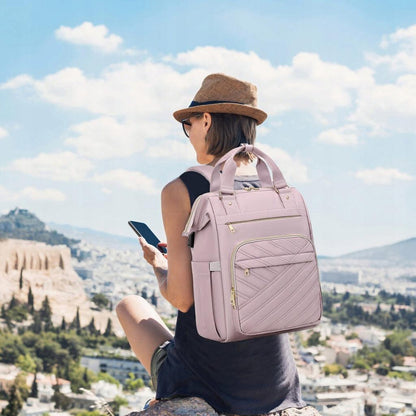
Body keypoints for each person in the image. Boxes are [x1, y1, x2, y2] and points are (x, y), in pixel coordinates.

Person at [116, 73, 307, 415]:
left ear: (205, 120)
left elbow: (182, 298)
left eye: (187, 123)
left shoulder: (183, 189)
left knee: (129, 306)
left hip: (207, 382)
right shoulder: (274, 191)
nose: (188, 132)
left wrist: (161, 268)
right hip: (275, 381)